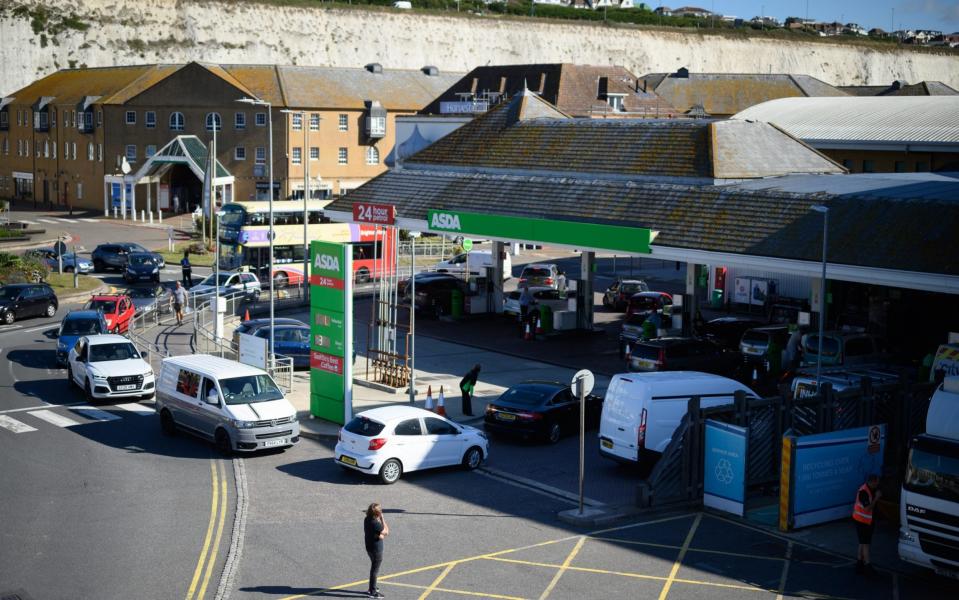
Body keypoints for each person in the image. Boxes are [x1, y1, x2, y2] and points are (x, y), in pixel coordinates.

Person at [853, 473, 882, 575]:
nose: (878, 484)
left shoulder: (871, 489)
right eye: (877, 482)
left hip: (866, 521)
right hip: (862, 521)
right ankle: (867, 565)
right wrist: (876, 498)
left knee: (862, 542)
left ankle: (859, 562)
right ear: (872, 482)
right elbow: (867, 508)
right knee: (866, 544)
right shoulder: (863, 492)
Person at [364, 503, 388, 599]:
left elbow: (378, 534)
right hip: (376, 549)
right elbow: (386, 531)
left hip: (369, 547)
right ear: (377, 513)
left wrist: (379, 535)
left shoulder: (367, 519)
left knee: (374, 568)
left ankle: (372, 587)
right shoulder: (376, 523)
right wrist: (382, 519)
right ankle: (372, 591)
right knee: (375, 570)